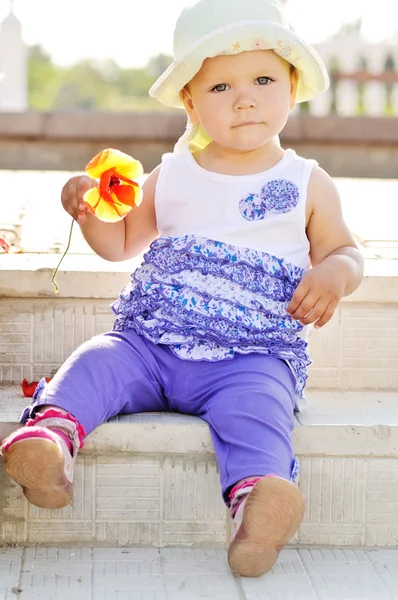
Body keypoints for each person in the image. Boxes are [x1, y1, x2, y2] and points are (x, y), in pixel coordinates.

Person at [1, 0, 363, 578]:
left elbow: (345, 249)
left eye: (263, 79)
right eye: (220, 86)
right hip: (150, 343)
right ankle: (49, 442)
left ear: (292, 89)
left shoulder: (305, 181)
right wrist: (88, 211)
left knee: (259, 409)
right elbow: (121, 242)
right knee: (98, 360)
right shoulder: (171, 174)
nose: (245, 98)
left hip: (250, 355)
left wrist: (334, 273)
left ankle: (259, 505)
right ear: (191, 103)